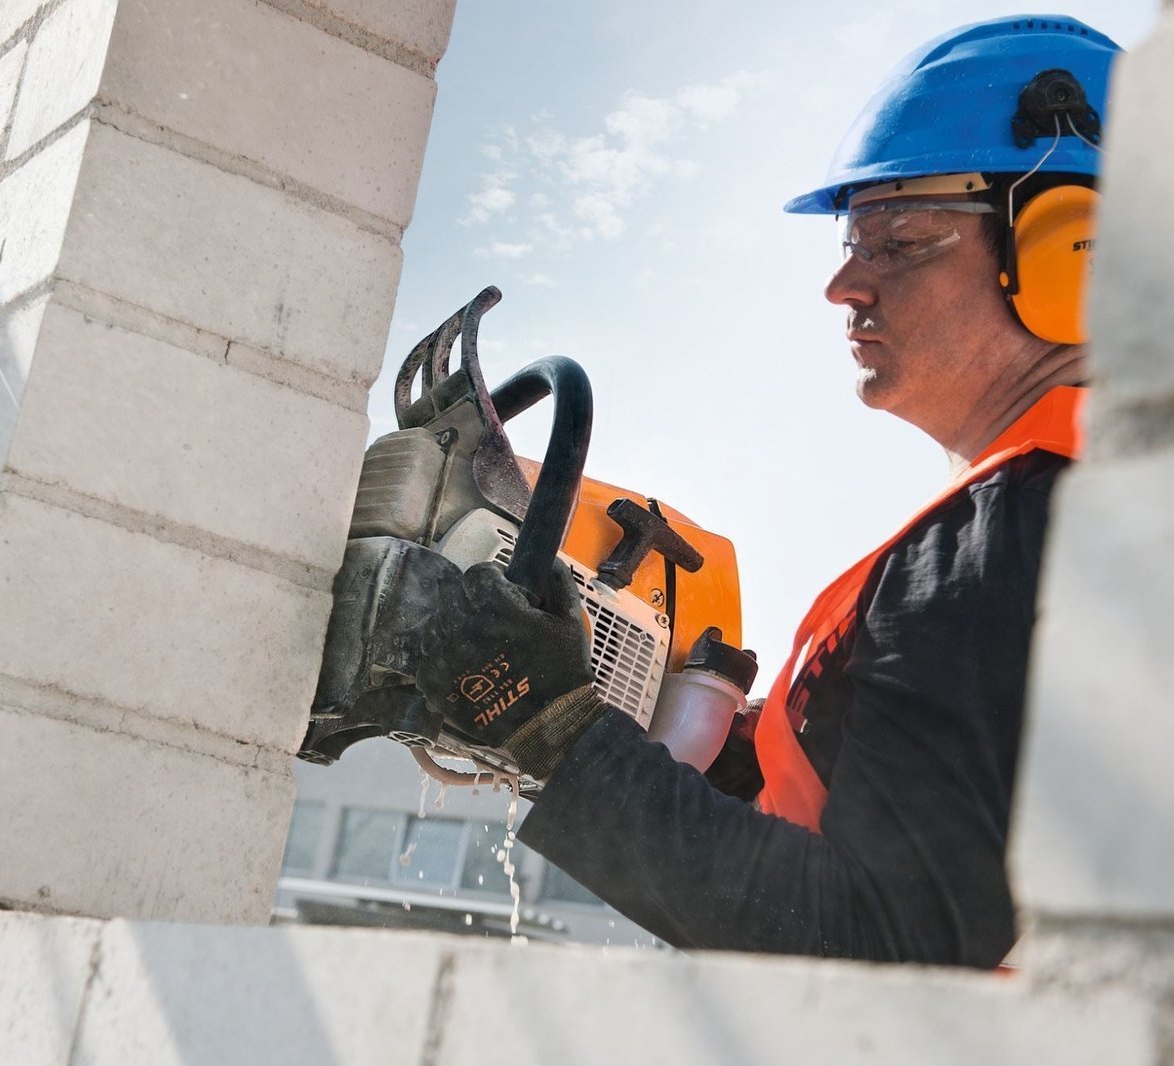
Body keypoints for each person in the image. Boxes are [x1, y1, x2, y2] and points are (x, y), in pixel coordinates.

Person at [413, 15, 1118, 967]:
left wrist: (554, 731)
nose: (844, 285)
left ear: (1079, 253)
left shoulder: (1026, 531)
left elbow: (891, 945)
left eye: (901, 242)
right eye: (853, 241)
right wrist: (739, 765)